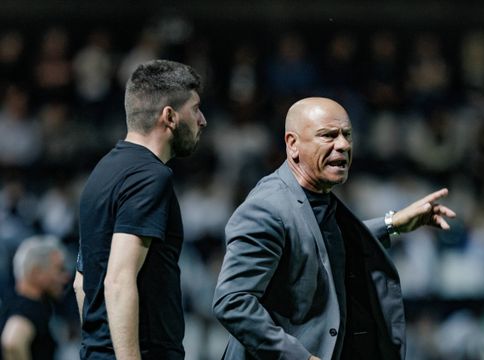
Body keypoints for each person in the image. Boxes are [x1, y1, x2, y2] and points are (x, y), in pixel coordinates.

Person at [213, 97, 456, 360]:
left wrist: (392, 224)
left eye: (347, 135)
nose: (342, 145)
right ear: (292, 144)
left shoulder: (313, 196)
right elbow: (233, 301)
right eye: (328, 135)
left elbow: (319, 245)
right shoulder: (267, 207)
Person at [74, 60, 206, 360]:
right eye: (195, 108)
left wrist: (100, 348)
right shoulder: (150, 177)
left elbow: (81, 282)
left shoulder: (102, 173)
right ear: (169, 116)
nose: (202, 120)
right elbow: (118, 279)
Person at [0, 235, 69, 360]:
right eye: (59, 269)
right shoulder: (29, 307)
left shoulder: (15, 303)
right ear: (36, 273)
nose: (65, 277)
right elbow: (12, 343)